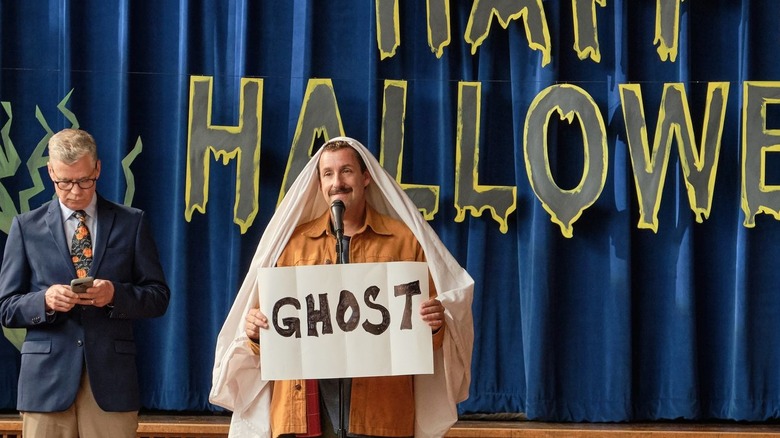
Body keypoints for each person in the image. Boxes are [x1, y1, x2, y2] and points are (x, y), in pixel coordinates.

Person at [211, 136, 474, 438]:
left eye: (346, 171)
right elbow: (270, 333)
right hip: (303, 414)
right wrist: (256, 332)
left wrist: (435, 324)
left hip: (379, 413)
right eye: (328, 174)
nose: (337, 182)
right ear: (320, 183)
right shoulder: (291, 246)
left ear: (365, 178)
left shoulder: (405, 241)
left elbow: (428, 339)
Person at [0, 128, 171, 438]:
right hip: (45, 383)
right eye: (64, 182)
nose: (75, 191)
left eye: (84, 181)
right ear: (50, 171)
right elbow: (6, 307)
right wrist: (45, 300)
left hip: (111, 383)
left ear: (98, 169)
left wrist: (114, 294)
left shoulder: (132, 222)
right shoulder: (26, 227)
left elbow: (158, 297)